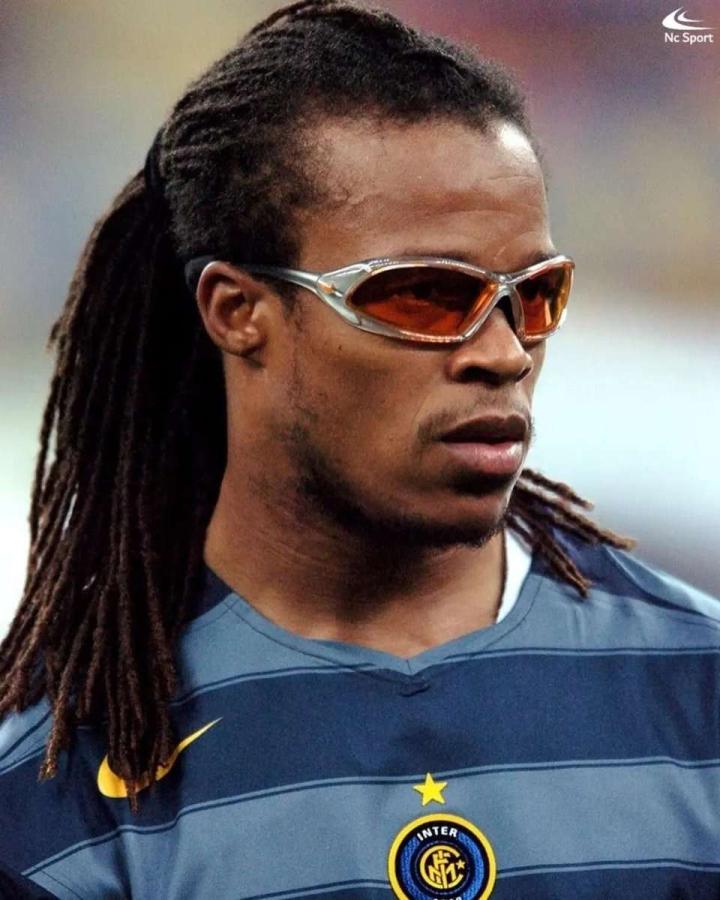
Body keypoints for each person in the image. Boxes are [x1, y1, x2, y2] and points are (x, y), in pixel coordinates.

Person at [1, 1, 718, 897]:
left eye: (535, 295)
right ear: (238, 312)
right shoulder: (56, 790)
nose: (503, 353)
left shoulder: (700, 690)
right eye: (425, 295)